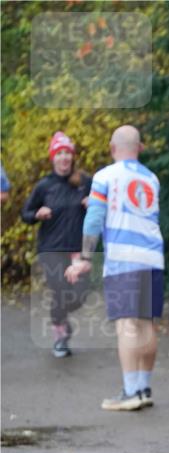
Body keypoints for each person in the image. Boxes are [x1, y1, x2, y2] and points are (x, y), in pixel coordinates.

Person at [65, 125, 163, 412]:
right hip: (153, 256)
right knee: (146, 323)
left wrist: (84, 257)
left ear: (111, 148)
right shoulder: (152, 178)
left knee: (126, 324)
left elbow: (94, 218)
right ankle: (144, 388)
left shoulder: (105, 176)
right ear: (140, 148)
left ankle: (130, 392)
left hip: (123, 259)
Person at [21, 132, 92, 357]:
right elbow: (25, 213)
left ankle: (60, 319)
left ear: (72, 157)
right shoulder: (44, 186)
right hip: (50, 249)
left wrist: (94, 204)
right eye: (59, 153)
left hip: (77, 249)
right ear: (53, 158)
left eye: (67, 153)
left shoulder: (84, 182)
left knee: (81, 294)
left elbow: (103, 207)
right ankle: (60, 335)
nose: (64, 158)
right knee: (60, 290)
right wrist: (37, 214)